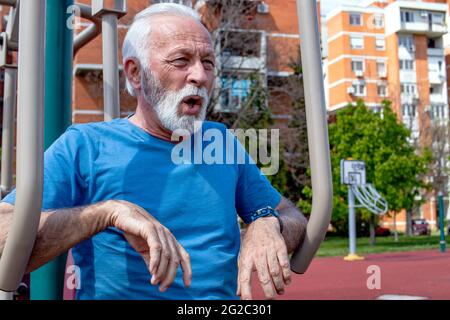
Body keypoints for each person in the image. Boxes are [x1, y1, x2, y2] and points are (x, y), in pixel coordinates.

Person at [0, 3, 307, 300]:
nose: (200, 76)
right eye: (181, 61)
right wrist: (107, 213)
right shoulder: (85, 145)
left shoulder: (221, 142)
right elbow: (4, 234)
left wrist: (269, 223)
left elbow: (292, 216)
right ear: (136, 73)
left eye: (208, 62)